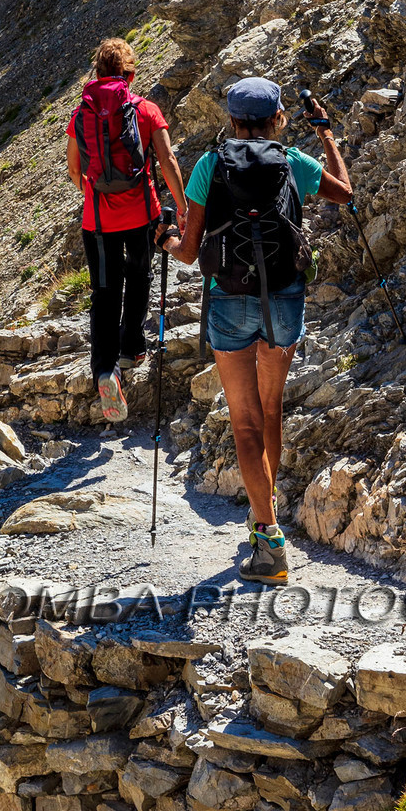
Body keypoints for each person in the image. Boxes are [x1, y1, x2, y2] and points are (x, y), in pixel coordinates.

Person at [161, 74, 352, 583]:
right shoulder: (293, 161)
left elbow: (187, 251)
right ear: (278, 119)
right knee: (271, 408)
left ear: (231, 121)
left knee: (243, 421)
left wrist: (167, 238)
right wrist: (327, 134)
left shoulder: (208, 166)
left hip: (229, 302)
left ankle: (267, 541)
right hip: (285, 301)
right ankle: (264, 510)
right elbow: (345, 194)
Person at [66, 37, 187, 424]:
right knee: (139, 275)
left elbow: (73, 171)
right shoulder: (145, 109)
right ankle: (132, 347)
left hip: (98, 221)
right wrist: (181, 209)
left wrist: (96, 195)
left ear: (98, 74)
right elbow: (167, 160)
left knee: (104, 291)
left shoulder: (80, 114)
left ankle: (104, 370)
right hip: (141, 214)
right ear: (130, 75)